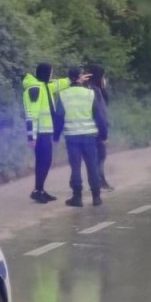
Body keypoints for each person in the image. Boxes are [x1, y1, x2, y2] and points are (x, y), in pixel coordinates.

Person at [22, 63, 87, 204]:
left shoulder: (45, 86)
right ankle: (37, 191)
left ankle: (39, 189)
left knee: (45, 162)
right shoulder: (35, 89)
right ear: (45, 73)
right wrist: (31, 136)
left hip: (46, 132)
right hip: (40, 133)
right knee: (43, 162)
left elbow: (59, 84)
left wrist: (75, 79)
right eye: (51, 73)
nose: (52, 76)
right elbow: (31, 115)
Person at [55, 67, 109, 207]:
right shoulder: (89, 94)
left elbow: (59, 117)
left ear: (69, 77)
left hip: (72, 136)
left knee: (75, 167)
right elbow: (99, 116)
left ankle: (77, 197)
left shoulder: (63, 95)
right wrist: (103, 134)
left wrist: (56, 136)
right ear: (80, 77)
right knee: (92, 165)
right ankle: (96, 197)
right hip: (89, 136)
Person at [85, 64, 114, 191]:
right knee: (100, 156)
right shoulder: (95, 91)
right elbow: (100, 113)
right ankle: (99, 182)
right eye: (103, 76)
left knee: (94, 157)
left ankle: (97, 182)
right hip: (96, 129)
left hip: (87, 129)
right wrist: (104, 134)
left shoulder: (88, 88)